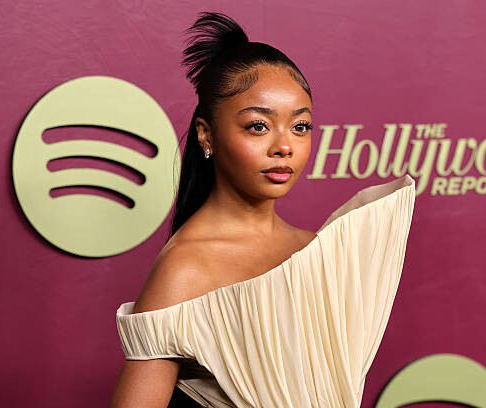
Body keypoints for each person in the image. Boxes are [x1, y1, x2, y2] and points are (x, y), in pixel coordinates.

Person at [110, 11, 416, 408]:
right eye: (258, 126)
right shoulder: (185, 269)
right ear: (206, 134)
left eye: (300, 127)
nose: (284, 146)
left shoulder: (314, 249)